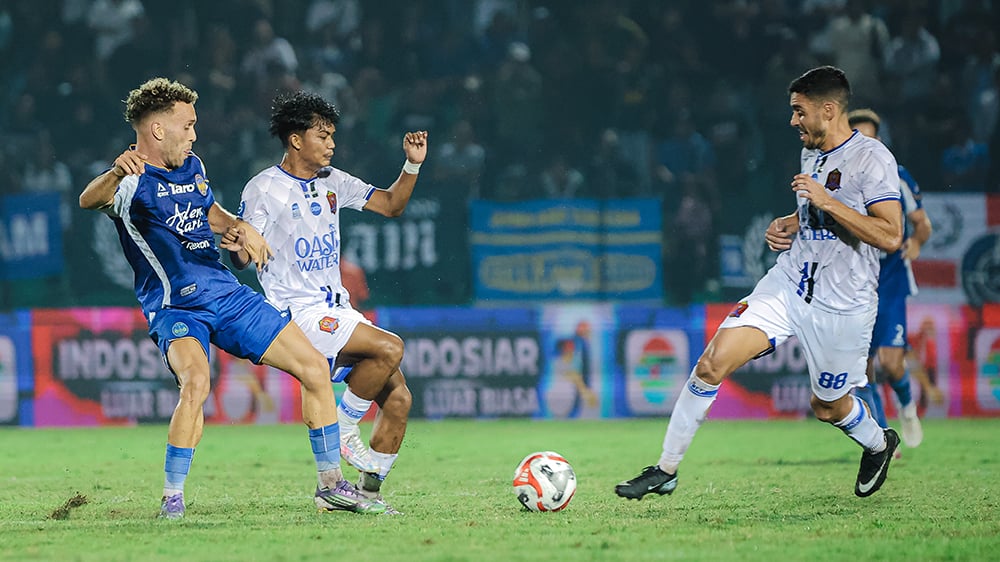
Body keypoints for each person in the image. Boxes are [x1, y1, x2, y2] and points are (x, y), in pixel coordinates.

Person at [79, 78, 384, 518]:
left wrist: (241, 229)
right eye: (188, 125)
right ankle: (172, 499)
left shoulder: (192, 165)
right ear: (159, 130)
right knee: (197, 383)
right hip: (175, 307)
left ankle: (331, 485)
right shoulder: (130, 182)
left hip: (227, 295)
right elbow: (89, 200)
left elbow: (211, 213)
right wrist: (115, 172)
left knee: (314, 368)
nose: (194, 134)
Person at [615, 66, 904, 501]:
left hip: (843, 305)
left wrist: (827, 202)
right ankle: (666, 469)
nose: (793, 121)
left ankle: (879, 444)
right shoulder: (813, 151)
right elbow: (817, 216)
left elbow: (890, 235)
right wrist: (789, 224)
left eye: (798, 111)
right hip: (790, 284)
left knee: (827, 407)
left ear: (828, 110)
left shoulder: (873, 159)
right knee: (712, 363)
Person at [227, 91, 426, 514]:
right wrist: (238, 247)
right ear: (297, 140)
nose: (331, 143)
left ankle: (365, 498)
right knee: (390, 346)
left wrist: (412, 164)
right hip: (297, 313)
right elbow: (244, 253)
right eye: (323, 135)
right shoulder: (264, 188)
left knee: (399, 399)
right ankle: (346, 428)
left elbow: (391, 205)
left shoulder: (332, 180)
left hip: (338, 310)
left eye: (332, 135)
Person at [848, 108, 933, 449]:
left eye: (871, 138)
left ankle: (907, 407)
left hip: (892, 280)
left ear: (879, 142)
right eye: (858, 138)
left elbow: (922, 224)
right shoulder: (841, 179)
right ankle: (884, 438)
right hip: (855, 281)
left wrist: (916, 241)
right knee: (862, 366)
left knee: (891, 362)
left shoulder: (896, 176)